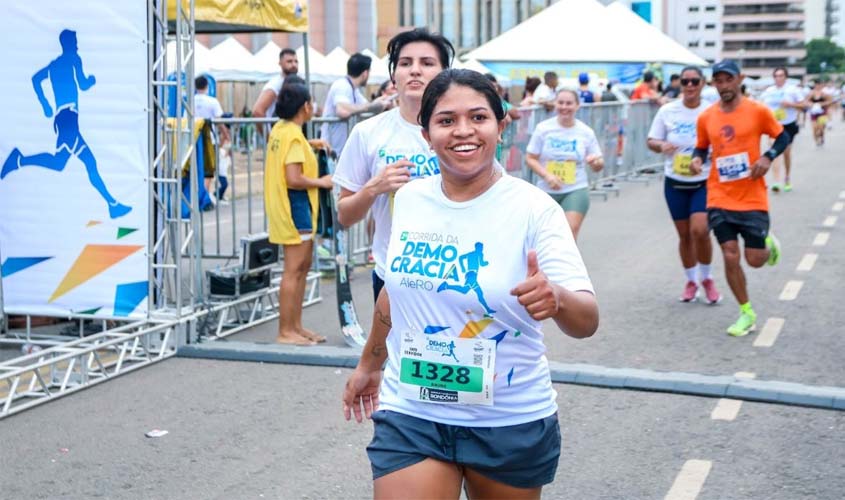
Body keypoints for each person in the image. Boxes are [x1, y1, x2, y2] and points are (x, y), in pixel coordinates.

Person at [342, 68, 598, 499]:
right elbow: (397, 289)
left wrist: (555, 299)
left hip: (506, 420)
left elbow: (587, 321)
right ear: (426, 134)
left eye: (478, 118)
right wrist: (370, 364)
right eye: (445, 121)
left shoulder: (534, 209)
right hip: (413, 411)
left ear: (501, 126)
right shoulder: (409, 199)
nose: (463, 131)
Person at [333, 28, 454, 302]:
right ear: (393, 75)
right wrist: (374, 187)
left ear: (445, 73)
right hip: (393, 276)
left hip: (453, 278)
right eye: (405, 63)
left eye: (427, 63)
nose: (415, 71)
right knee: (388, 347)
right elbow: (345, 215)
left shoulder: (462, 131)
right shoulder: (368, 133)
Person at [689, 60, 788, 337]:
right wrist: (697, 160)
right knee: (730, 255)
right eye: (718, 81)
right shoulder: (706, 117)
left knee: (755, 259)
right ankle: (746, 312)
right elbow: (701, 147)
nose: (723, 86)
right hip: (719, 196)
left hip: (753, 197)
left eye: (728, 80)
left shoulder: (757, 111)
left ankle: (767, 244)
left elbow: (783, 136)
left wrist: (768, 157)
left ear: (739, 79)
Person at [1, 29, 131, 219]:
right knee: (89, 162)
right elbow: (83, 84)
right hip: (68, 118)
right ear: (69, 43)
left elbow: (36, 79)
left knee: (60, 162)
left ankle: (19, 160)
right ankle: (112, 205)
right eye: (75, 41)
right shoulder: (73, 58)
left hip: (64, 118)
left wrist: (45, 104)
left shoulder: (54, 65)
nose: (77, 45)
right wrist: (92, 80)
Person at [264, 83, 333, 345]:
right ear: (305, 106)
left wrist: (310, 143)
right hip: (295, 208)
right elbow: (293, 178)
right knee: (294, 270)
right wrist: (323, 182)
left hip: (291, 207)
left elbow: (291, 150)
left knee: (301, 269)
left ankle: (296, 326)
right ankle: (286, 331)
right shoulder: (292, 135)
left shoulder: (282, 129)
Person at [647, 66, 721, 304]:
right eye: (685, 81)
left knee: (700, 230)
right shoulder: (668, 111)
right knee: (684, 236)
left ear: (702, 84)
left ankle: (707, 278)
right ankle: (691, 280)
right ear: (680, 84)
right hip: (675, 181)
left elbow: (722, 142)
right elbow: (651, 140)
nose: (690, 85)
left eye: (694, 81)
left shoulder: (711, 111)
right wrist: (661, 146)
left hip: (703, 181)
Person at [524, 89, 604, 240]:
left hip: (575, 188)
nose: (564, 107)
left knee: (568, 232)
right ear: (555, 104)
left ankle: (566, 263)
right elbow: (530, 158)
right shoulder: (543, 128)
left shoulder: (585, 132)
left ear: (577, 106)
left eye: (569, 103)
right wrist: (547, 176)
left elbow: (599, 164)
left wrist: (595, 162)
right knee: (542, 235)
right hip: (546, 190)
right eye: (560, 103)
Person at [321, 53, 395, 156]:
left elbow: (366, 105)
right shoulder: (342, 85)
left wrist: (382, 100)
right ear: (365, 73)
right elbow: (342, 110)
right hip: (332, 147)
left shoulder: (353, 89)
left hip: (341, 147)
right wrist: (372, 107)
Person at [759, 67, 804, 192]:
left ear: (786, 77)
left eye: (781, 76)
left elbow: (804, 105)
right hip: (774, 126)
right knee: (775, 152)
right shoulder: (769, 91)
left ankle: (787, 177)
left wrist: (791, 105)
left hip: (789, 125)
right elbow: (761, 106)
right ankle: (776, 181)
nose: (778, 78)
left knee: (786, 153)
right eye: (776, 76)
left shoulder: (792, 90)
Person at [194, 75, 231, 198]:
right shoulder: (212, 101)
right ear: (206, 86)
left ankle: (198, 196)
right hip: (209, 138)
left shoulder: (190, 101)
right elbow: (219, 121)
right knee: (208, 170)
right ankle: (203, 197)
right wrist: (226, 135)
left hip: (194, 137)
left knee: (196, 168)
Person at [251, 48, 299, 131]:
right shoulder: (275, 84)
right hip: (277, 134)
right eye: (289, 61)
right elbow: (257, 112)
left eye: (296, 61)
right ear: (280, 63)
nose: (294, 65)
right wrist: (268, 137)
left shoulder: (297, 82)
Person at [805, 81, 833, 147]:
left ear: (821, 86)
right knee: (814, 128)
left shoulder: (824, 94)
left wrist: (822, 104)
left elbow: (830, 101)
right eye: (816, 85)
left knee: (821, 128)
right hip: (813, 113)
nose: (817, 86)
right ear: (815, 86)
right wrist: (811, 104)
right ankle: (816, 141)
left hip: (822, 113)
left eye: (819, 85)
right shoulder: (811, 93)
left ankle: (822, 137)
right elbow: (805, 101)